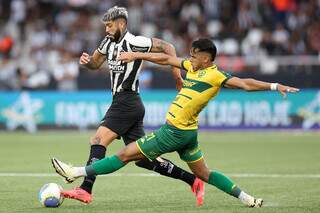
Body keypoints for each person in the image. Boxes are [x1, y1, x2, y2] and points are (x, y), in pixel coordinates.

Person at [51, 38, 299, 207]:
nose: (189, 58)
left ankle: (76, 172)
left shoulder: (216, 75)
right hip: (188, 133)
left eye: (195, 55)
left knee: (126, 154)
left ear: (206, 58)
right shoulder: (193, 67)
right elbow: (166, 60)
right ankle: (247, 198)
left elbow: (245, 84)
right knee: (204, 173)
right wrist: (137, 54)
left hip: (174, 132)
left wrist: (275, 86)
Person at [60, 6, 205, 206]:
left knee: (98, 139)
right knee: (143, 158)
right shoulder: (107, 43)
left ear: (122, 23)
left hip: (126, 102)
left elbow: (168, 47)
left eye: (110, 26)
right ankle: (193, 180)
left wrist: (176, 76)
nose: (106, 30)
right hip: (127, 103)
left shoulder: (135, 42)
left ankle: (84, 189)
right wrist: (87, 63)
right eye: (105, 26)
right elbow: (95, 63)